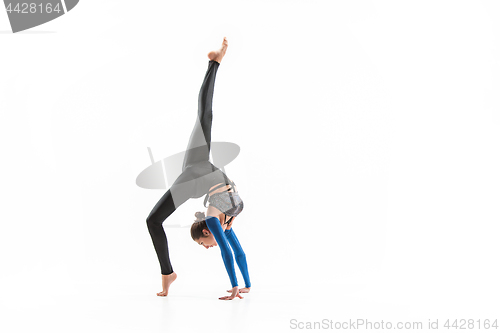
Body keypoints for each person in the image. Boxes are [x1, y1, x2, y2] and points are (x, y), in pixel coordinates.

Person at [146, 37, 251, 300]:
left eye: (203, 244)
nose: (207, 248)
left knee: (153, 221)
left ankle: (167, 273)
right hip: (197, 166)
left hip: (193, 177)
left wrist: (238, 285)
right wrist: (244, 284)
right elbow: (234, 251)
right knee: (204, 115)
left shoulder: (217, 221)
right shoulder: (222, 224)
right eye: (205, 246)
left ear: (206, 231)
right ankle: (214, 62)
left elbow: (230, 251)